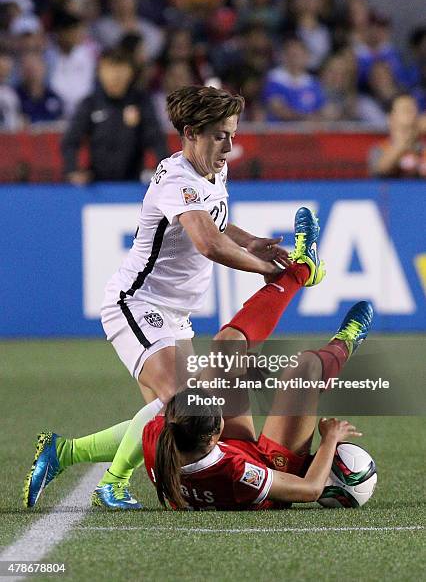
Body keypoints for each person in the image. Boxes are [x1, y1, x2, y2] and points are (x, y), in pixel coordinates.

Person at [23, 200, 325, 509]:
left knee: (179, 405)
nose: (227, 149)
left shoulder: (202, 178)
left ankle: (69, 455)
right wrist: (330, 444)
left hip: (165, 310)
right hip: (142, 303)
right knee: (196, 383)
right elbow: (209, 244)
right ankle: (106, 478)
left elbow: (209, 226)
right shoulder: (181, 178)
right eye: (221, 146)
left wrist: (248, 243)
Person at [148, 300, 373, 511]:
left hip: (219, 451)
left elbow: (182, 401)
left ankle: (289, 281)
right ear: (214, 438)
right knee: (306, 369)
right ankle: (343, 344)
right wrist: (330, 438)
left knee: (227, 347)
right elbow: (311, 489)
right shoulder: (236, 471)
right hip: (270, 466)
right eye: (219, 417)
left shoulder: (158, 434)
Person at [61, 46, 168, 185]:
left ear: (131, 73)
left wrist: (165, 172)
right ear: (99, 72)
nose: (115, 76)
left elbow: (156, 139)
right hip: (96, 185)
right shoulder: (91, 103)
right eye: (109, 69)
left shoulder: (141, 101)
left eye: (121, 69)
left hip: (134, 184)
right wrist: (72, 171)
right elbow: (70, 141)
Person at [368, 94, 426, 178]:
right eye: (406, 110)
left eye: (415, 110)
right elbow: (382, 169)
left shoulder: (423, 148)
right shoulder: (380, 149)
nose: (413, 114)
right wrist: (412, 134)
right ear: (391, 118)